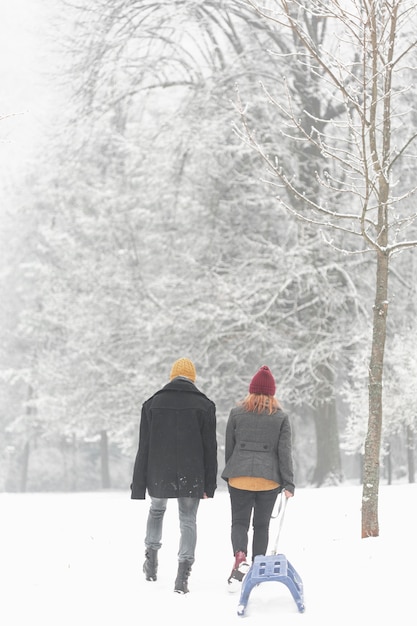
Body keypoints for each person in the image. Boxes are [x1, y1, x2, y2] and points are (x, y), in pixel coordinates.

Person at [131, 357, 218, 594]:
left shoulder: (152, 404)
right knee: (188, 520)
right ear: (193, 378)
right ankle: (183, 575)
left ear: (172, 377)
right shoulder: (205, 406)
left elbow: (144, 447)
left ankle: (151, 561)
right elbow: (210, 449)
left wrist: (138, 485)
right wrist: (210, 485)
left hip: (158, 470)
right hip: (192, 472)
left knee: (156, 511)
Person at [221, 365, 294, 587]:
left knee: (239, 522)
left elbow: (229, 447)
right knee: (261, 526)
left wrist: (233, 470)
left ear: (251, 391)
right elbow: (284, 452)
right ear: (272, 392)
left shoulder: (236, 414)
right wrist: (288, 482)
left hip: (239, 476)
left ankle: (240, 556)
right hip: (268, 479)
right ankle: (258, 567)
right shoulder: (280, 417)